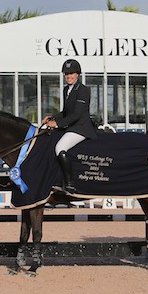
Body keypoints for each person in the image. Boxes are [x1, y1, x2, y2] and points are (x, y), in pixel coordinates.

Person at [42, 59, 97, 194]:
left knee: (60, 147)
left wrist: (57, 124)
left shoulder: (83, 90)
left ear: (77, 74)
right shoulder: (67, 89)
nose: (68, 76)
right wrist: (52, 118)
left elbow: (77, 114)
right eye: (66, 74)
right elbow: (65, 112)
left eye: (71, 73)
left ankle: (69, 184)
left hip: (81, 128)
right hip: (71, 127)